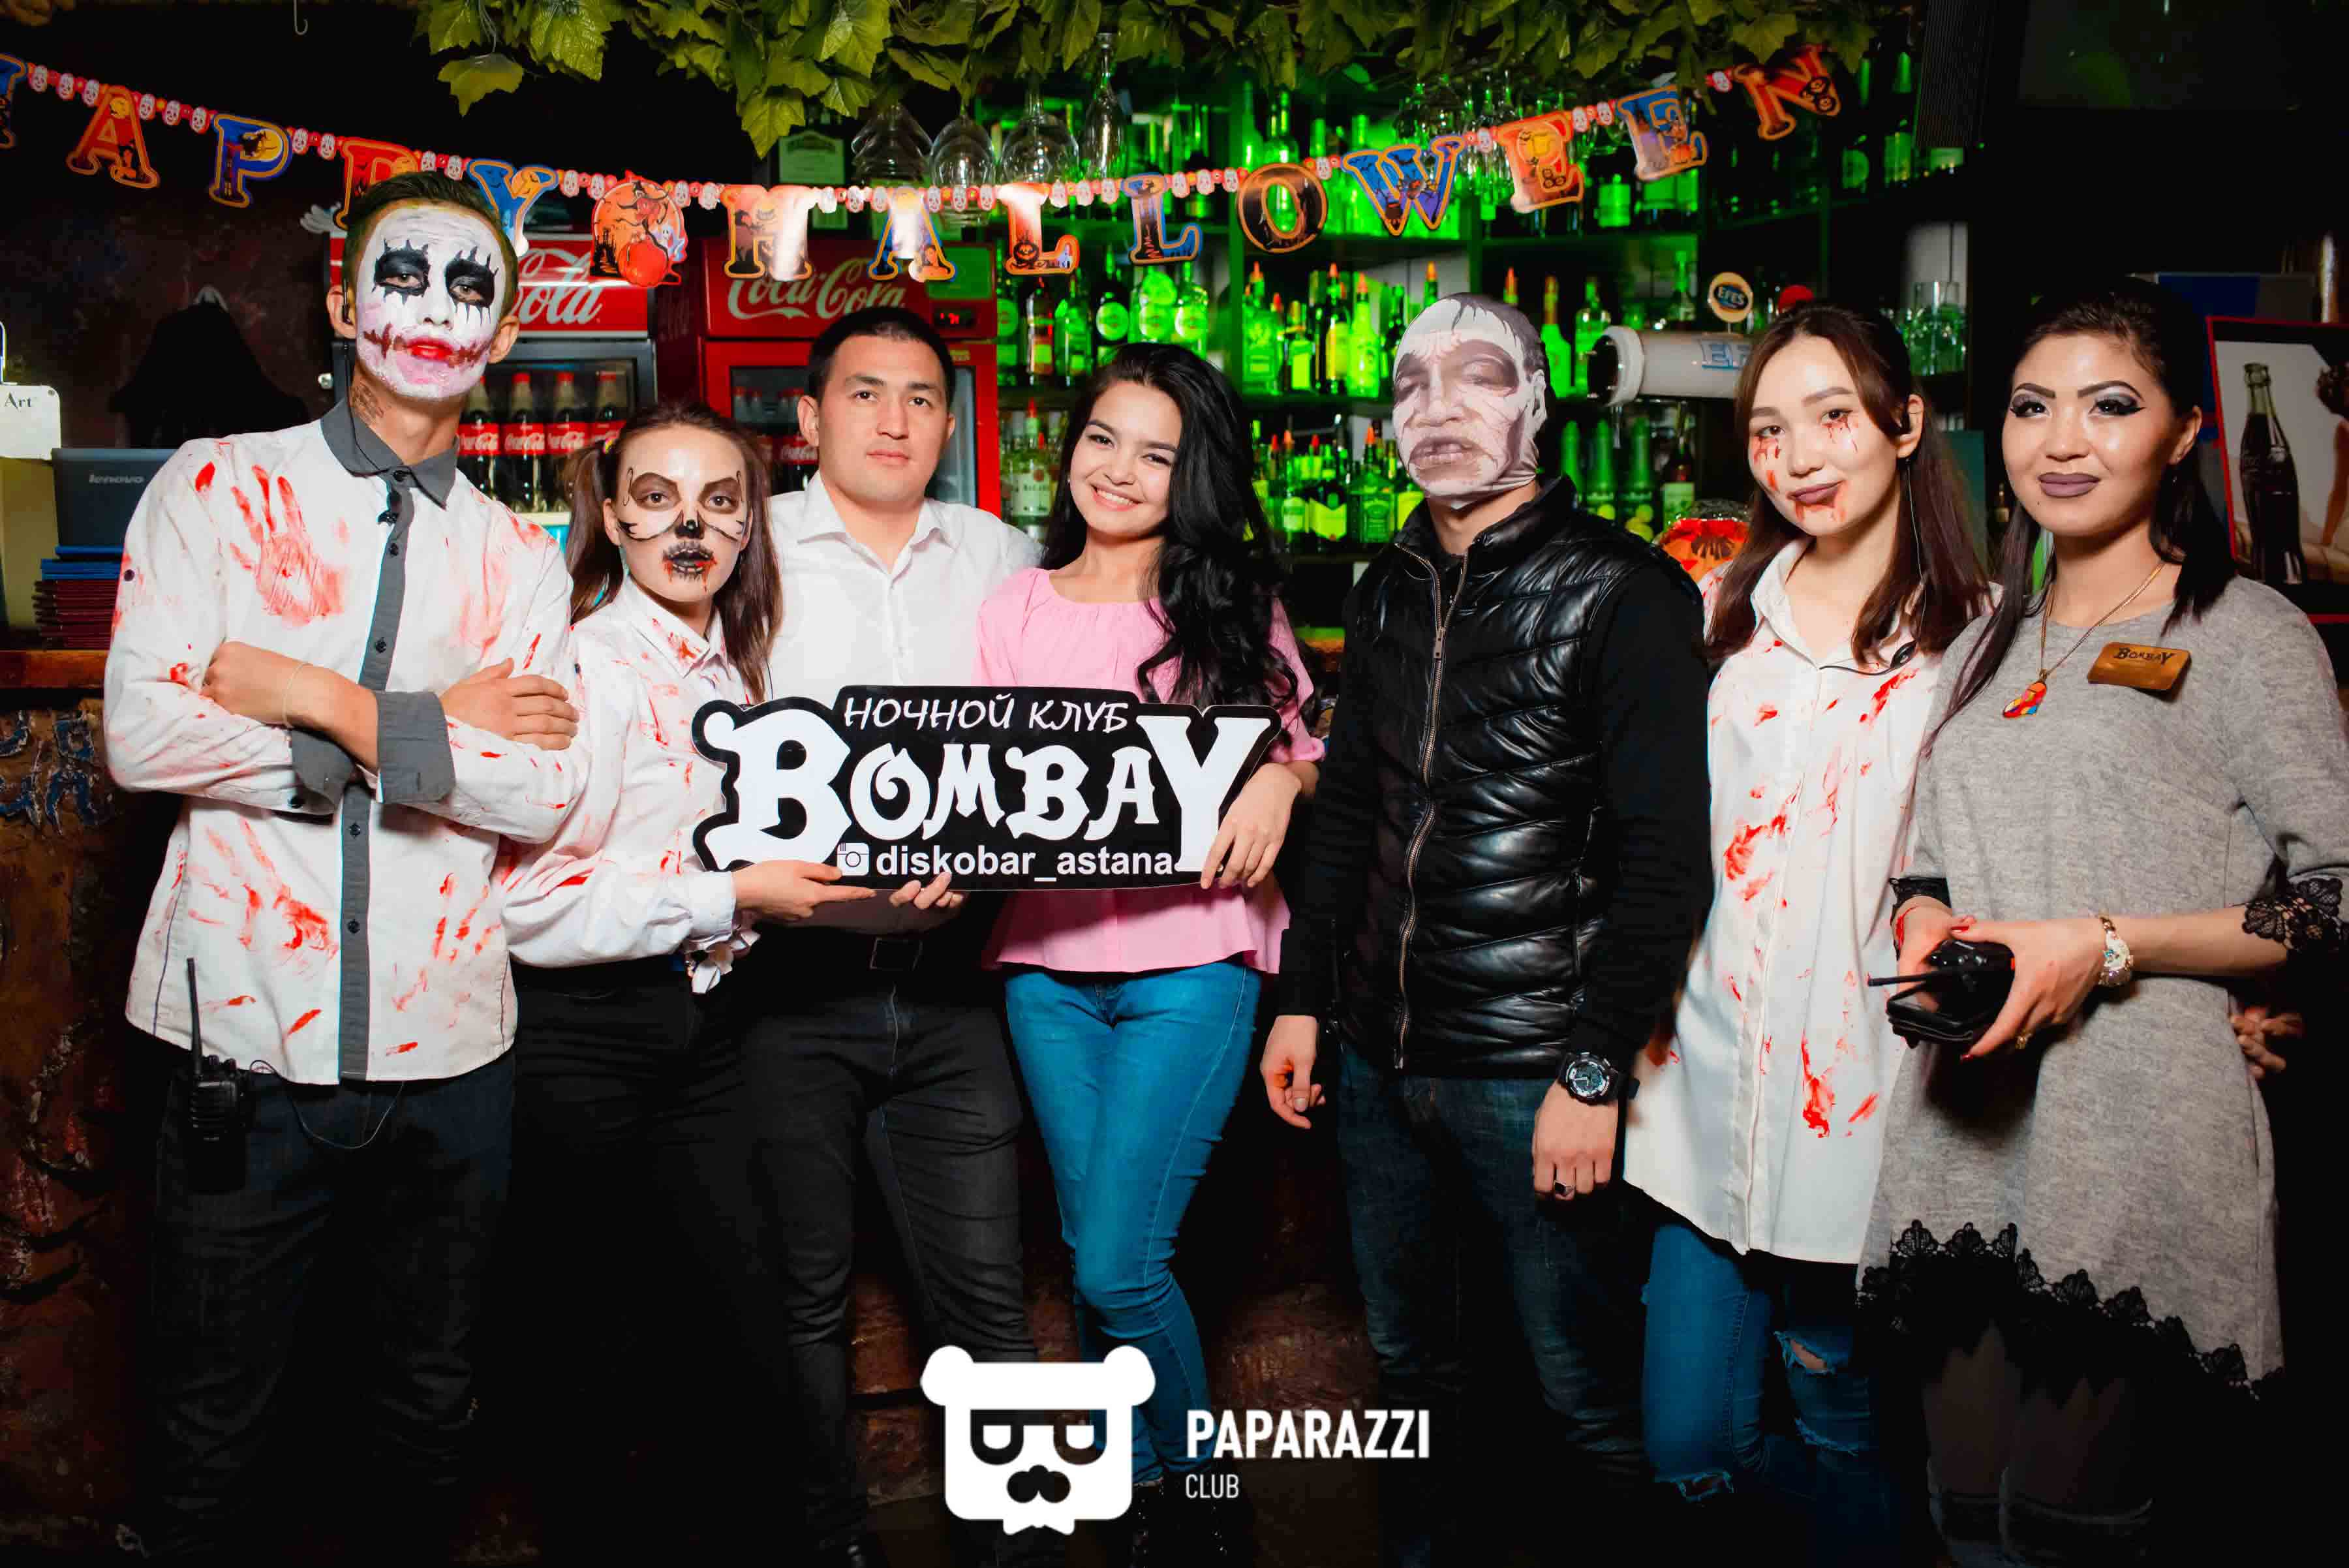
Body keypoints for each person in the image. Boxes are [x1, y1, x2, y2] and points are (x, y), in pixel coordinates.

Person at [102, 170, 581, 1560]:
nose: (433, 311)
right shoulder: (215, 488)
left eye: (469, 289)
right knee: (212, 1429)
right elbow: (146, 734)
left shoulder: (519, 558)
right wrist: (434, 732)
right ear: (342, 299)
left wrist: (311, 698)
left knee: (425, 1415)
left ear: (505, 332)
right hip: (240, 1042)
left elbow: (544, 789)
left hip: (455, 1057)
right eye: (403, 276)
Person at [1860, 277, 2348, 1562]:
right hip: (1967, 1127)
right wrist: (1925, 919)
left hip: (2137, 1137)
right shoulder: (1990, 640)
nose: (2062, 441)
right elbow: (1927, 862)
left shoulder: (2245, 635)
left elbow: (2335, 891)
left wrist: (2111, 943)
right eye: (2033, 407)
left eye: (2110, 406)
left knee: (2065, 1531)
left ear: (2184, 432)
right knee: (1968, 1521)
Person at [1258, 293, 1712, 1562]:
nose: (1440, 406)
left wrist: (1592, 1067)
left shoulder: (1628, 590)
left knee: (1578, 1395)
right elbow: (1350, 813)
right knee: (1413, 1372)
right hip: (1378, 1062)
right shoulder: (1388, 585)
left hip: (1532, 1067)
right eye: (1412, 382)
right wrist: (1304, 1000)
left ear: (1539, 403)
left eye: (1478, 376)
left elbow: (1666, 863)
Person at [1621, 303, 1989, 1562]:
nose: (1800, 457)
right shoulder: (1717, 613)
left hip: (1864, 1118)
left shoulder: (1979, 641)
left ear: (1907, 423)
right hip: (1703, 1099)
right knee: (1688, 1448)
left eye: (1835, 417)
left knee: (1844, 1435)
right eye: (1770, 431)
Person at [493, 401, 875, 1549]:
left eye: (719, 502)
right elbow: (524, 903)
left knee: (731, 1336)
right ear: (612, 516)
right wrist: (737, 895)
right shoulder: (584, 669)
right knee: (594, 1357)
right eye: (656, 500)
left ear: (751, 524)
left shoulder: (733, 674)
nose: (689, 528)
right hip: (582, 1039)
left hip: (707, 1029)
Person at [977, 343, 1323, 1563]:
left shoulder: (1230, 608)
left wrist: (1282, 778)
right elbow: (985, 787)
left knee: (1122, 1263)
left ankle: (1206, 1501)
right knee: (1092, 1255)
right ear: (1070, 448)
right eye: (1102, 439)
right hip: (1045, 971)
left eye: (1157, 454)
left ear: (1196, 478)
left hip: (1194, 962)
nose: (1119, 470)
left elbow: (1306, 759)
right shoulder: (1013, 610)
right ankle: (1137, 1500)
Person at [752, 306, 1056, 1568]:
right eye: (865, 393)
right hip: (781, 988)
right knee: (800, 1304)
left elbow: (1066, 745)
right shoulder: (748, 544)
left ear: (949, 422)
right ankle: (832, 1545)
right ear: (809, 416)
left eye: (923, 398)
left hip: (954, 990)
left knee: (986, 1302)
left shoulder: (1003, 556)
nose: (895, 419)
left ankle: (1019, 1547)